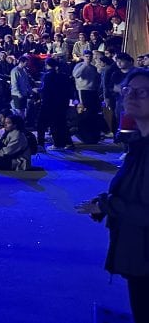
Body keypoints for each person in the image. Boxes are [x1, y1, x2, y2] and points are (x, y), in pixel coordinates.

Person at [76, 69, 149, 322]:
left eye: (142, 92)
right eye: (128, 91)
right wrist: (104, 203)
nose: (132, 96)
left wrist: (109, 205)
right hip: (137, 255)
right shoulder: (138, 145)